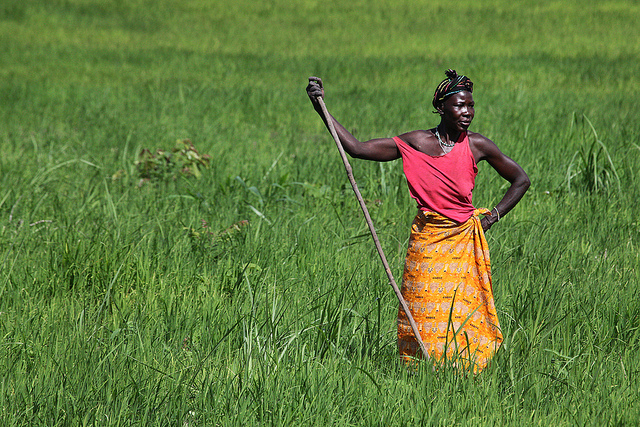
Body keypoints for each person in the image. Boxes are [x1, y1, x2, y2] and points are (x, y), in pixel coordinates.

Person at [306, 70, 530, 371]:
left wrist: (492, 217)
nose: (467, 112)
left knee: (463, 311)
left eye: (470, 105)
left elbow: (521, 180)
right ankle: (420, 372)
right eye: (459, 105)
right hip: (427, 241)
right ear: (441, 108)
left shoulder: (477, 145)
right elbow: (358, 149)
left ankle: (464, 372)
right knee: (422, 310)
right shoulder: (416, 142)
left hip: (463, 241)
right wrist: (321, 108)